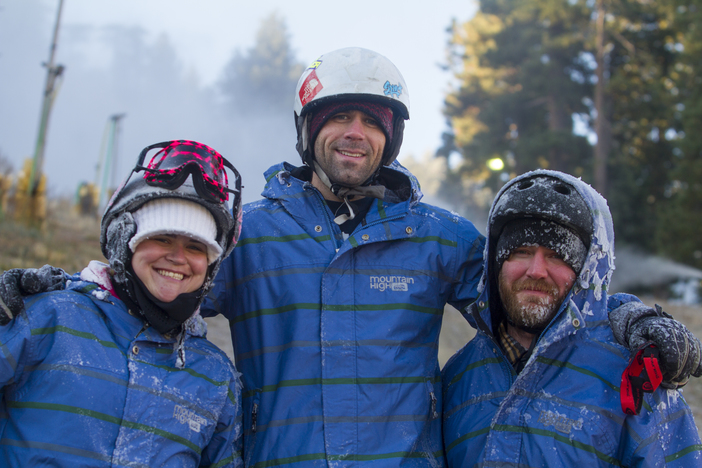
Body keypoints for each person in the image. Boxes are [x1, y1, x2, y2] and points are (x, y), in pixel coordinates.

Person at [1, 48, 701, 466]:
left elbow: (535, 298)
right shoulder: (253, 230)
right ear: (309, 130)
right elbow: (153, 285)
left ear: (391, 138)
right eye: (338, 116)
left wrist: (635, 318)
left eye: (372, 120)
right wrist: (51, 289)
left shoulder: (440, 238)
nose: (354, 133)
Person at [0, 140, 244, 467]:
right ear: (123, 240)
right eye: (162, 237)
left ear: (211, 265)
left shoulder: (215, 377)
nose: (178, 257)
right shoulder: (48, 318)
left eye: (196, 247)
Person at [441, 170, 702, 466]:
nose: (537, 270)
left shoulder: (636, 378)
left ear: (588, 271)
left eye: (557, 255)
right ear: (496, 264)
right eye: (521, 251)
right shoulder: (458, 377)